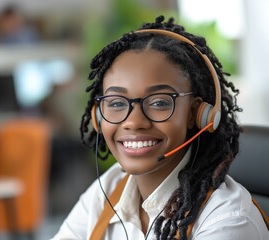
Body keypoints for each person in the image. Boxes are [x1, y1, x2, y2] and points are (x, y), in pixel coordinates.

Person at [51, 16, 268, 240]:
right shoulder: (109, 187)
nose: (134, 122)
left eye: (159, 102)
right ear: (98, 116)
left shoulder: (228, 222)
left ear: (198, 114)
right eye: (116, 103)